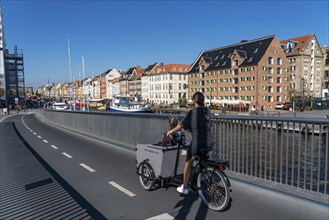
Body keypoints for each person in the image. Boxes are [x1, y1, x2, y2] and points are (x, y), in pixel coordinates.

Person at [166, 92, 214, 194]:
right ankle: (201, 175)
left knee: (188, 162)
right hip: (209, 141)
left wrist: (171, 131)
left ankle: (185, 187)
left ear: (194, 101)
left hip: (198, 143)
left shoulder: (193, 112)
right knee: (199, 158)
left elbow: (182, 125)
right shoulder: (208, 111)